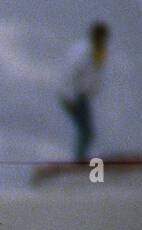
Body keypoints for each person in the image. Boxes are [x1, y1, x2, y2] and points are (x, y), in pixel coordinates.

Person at [60, 21, 109, 162]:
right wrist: (69, 97)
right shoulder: (82, 52)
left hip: (83, 97)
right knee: (86, 131)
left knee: (87, 131)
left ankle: (79, 159)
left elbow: (95, 77)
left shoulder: (98, 53)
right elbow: (70, 74)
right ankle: (78, 161)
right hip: (73, 96)